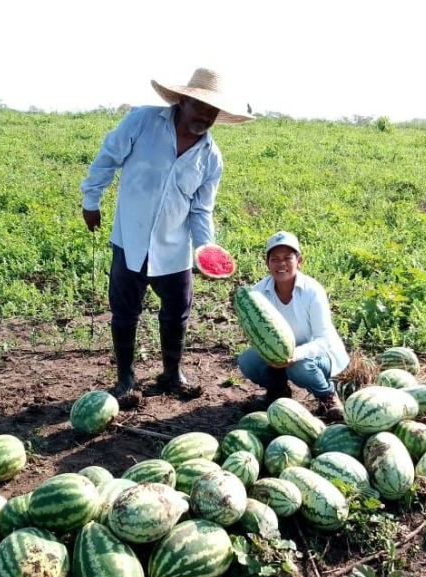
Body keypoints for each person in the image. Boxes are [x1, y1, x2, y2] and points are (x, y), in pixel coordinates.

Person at [80, 68, 253, 401]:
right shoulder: (142, 121)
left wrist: (206, 248)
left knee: (177, 313)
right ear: (183, 100)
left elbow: (201, 210)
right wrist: (92, 199)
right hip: (130, 239)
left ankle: (172, 374)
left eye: (212, 112)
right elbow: (108, 157)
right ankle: (125, 379)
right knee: (124, 312)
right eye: (200, 107)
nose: (204, 116)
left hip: (175, 248)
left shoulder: (211, 158)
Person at [237, 231, 350, 421]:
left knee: (299, 367)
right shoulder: (257, 293)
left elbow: (325, 340)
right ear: (267, 263)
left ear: (299, 261)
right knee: (248, 361)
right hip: (281, 353)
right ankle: (277, 392)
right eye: (274, 259)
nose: (281, 264)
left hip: (318, 356)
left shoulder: (312, 291)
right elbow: (256, 332)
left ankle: (327, 397)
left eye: (287, 258)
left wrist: (293, 355)